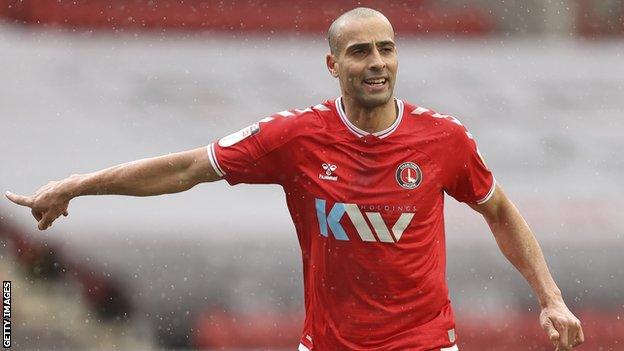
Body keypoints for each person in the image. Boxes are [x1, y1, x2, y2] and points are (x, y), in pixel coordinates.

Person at [5, 7, 583, 351]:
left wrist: (552, 299)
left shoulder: (443, 140)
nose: (377, 62)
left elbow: (499, 210)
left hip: (424, 344)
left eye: (387, 49)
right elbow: (185, 169)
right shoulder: (294, 138)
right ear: (334, 66)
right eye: (360, 52)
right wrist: (79, 183)